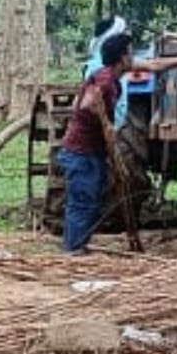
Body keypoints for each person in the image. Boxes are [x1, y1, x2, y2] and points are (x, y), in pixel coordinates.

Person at [59, 32, 136, 255]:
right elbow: (87, 104)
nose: (134, 57)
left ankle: (78, 246)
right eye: (131, 52)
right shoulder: (104, 79)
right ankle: (73, 250)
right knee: (82, 201)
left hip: (92, 152)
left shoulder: (112, 76)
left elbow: (153, 64)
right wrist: (107, 126)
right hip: (81, 153)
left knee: (90, 200)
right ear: (123, 58)